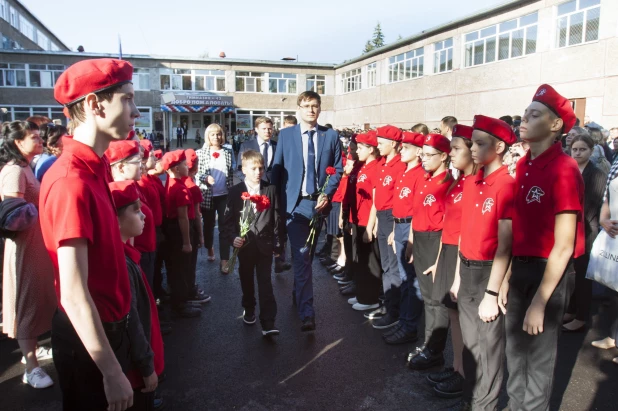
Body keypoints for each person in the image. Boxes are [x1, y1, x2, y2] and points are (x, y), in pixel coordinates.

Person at [39, 58, 138, 410]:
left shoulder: (93, 169)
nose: (136, 111)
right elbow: (74, 292)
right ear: (96, 104)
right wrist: (111, 371)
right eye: (127, 99)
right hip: (90, 344)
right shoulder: (71, 181)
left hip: (107, 331)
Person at [505, 84, 585, 411]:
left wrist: (540, 300)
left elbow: (564, 246)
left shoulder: (564, 168)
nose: (524, 120)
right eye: (525, 113)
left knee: (538, 361)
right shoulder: (524, 165)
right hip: (521, 267)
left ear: (555, 126)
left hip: (548, 271)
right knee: (515, 353)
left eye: (534, 114)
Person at [455, 116, 516, 410]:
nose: (473, 148)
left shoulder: (506, 185)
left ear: (500, 146)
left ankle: (485, 406)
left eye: (480, 143)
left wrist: (493, 292)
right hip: (467, 270)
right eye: (472, 142)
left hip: (487, 274)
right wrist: (457, 277)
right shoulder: (471, 182)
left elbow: (506, 245)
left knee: (489, 348)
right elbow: (465, 233)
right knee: (471, 345)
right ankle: (471, 400)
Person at [271, 91, 343, 332]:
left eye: (314, 106)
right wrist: (273, 206)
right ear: (298, 109)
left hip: (319, 205)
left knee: (307, 257)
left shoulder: (331, 136)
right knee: (302, 256)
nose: (310, 110)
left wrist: (327, 192)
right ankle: (307, 313)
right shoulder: (285, 135)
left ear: (320, 109)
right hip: (295, 206)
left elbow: (338, 169)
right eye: (306, 106)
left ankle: (297, 292)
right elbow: (277, 172)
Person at [1, 120, 57, 389]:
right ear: (17, 143)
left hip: (36, 244)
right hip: (25, 246)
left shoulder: (26, 166)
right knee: (27, 301)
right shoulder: (13, 171)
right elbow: (13, 217)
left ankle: (32, 350)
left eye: (38, 136)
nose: (39, 140)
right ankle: (31, 367)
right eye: (33, 137)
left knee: (39, 297)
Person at [424, 124, 477, 399]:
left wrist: (455, 270)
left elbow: (468, 230)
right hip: (447, 251)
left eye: (457, 148)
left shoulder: (475, 183)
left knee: (463, 317)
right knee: (453, 314)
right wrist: (438, 259)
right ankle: (456, 367)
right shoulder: (459, 180)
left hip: (462, 254)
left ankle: (465, 375)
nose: (452, 153)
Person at [109, 180, 165, 411]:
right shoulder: (120, 264)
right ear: (115, 219)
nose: (144, 216)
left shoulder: (125, 255)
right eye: (136, 210)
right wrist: (146, 367)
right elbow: (132, 320)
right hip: (135, 370)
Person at [223, 150, 283, 336]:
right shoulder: (235, 192)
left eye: (261, 167)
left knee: (265, 282)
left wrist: (278, 244)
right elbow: (227, 221)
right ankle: (249, 307)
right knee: (246, 279)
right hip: (245, 245)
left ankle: (268, 322)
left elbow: (276, 218)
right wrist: (233, 237)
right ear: (243, 170)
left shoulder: (270, 189)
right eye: (254, 168)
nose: (258, 171)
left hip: (265, 245)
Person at [407, 133, 452, 371]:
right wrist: (412, 242)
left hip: (437, 242)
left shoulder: (448, 183)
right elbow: (417, 213)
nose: (423, 159)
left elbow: (448, 224)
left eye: (429, 155)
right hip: (421, 240)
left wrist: (438, 259)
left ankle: (435, 351)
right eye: (422, 154)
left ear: (444, 156)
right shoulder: (425, 179)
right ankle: (427, 344)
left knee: (437, 300)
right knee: (427, 298)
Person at [381, 131, 425, 344]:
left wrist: (410, 237)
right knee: (404, 277)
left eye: (406, 148)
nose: (401, 150)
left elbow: (416, 211)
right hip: (399, 225)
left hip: (409, 227)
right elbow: (400, 206)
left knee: (411, 281)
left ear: (418, 151)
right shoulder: (405, 172)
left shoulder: (419, 174)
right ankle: (404, 321)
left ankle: (410, 326)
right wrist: (394, 229)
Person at [562, 134, 606, 332]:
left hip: (586, 229)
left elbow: (591, 205)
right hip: (569, 227)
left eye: (582, 149)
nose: (578, 152)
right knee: (571, 274)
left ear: (591, 151)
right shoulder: (569, 170)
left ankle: (581, 316)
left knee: (583, 275)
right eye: (575, 149)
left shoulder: (596, 174)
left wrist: (572, 223)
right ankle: (571, 309)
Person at [373, 125, 406, 329]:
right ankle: (388, 304)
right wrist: (376, 221)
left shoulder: (400, 166)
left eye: (381, 143)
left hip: (392, 218)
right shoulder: (382, 164)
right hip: (381, 217)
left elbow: (398, 201)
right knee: (385, 266)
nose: (378, 146)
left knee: (394, 268)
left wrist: (394, 226)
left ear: (393, 143)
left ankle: (395, 311)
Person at [161, 150, 201, 318]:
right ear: (176, 169)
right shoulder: (180, 189)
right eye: (184, 164)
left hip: (171, 229)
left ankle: (179, 300)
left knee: (176, 268)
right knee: (181, 268)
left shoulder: (171, 184)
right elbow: (183, 218)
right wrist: (187, 241)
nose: (188, 167)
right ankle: (180, 304)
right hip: (179, 231)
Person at [346, 132, 382, 312]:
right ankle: (362, 294)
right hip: (357, 218)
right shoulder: (362, 166)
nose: (356, 151)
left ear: (371, 149)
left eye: (360, 148)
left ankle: (371, 298)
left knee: (370, 262)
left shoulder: (375, 167)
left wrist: (370, 225)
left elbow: (376, 200)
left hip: (367, 219)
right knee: (360, 260)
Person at [196, 123, 234, 273]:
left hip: (225, 195)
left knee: (225, 228)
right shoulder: (200, 153)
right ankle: (210, 247)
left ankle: (224, 260)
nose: (216, 137)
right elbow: (197, 173)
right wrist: (205, 178)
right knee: (209, 225)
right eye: (212, 134)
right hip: (208, 195)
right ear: (208, 136)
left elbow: (232, 172)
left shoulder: (228, 152)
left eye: (218, 134)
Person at [590, 156, 618, 362]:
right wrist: (603, 219)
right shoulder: (617, 160)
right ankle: (614, 337)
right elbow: (608, 195)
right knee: (614, 290)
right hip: (614, 233)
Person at [183, 149, 210, 304]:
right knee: (189, 263)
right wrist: (201, 236)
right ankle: (189, 291)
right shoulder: (192, 186)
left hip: (184, 225)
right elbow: (197, 214)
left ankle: (188, 289)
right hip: (191, 225)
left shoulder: (181, 181)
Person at [237, 117, 278, 182]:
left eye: (269, 128)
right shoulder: (246, 146)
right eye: (264, 129)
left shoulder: (277, 146)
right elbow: (239, 168)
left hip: (273, 187)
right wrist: (249, 183)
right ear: (256, 129)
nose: (267, 131)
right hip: (253, 186)